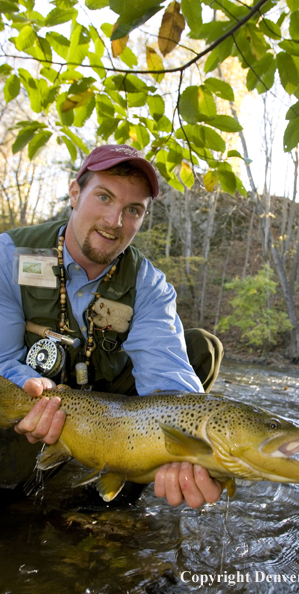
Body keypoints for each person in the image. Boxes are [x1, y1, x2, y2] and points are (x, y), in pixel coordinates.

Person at [0, 144, 223, 508]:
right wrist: (27, 389)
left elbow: (168, 378)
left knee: (202, 347)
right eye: (104, 197)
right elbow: (1, 359)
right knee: (10, 499)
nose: (115, 221)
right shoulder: (10, 254)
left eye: (132, 210)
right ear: (75, 193)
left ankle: (108, 500)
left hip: (112, 411)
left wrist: (191, 444)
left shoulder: (149, 284)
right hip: (33, 401)